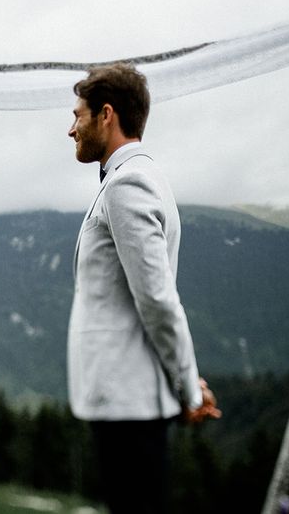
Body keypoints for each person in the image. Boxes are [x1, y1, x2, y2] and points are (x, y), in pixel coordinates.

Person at [67, 63, 220, 513]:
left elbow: (156, 300)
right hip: (128, 398)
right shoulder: (136, 177)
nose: (71, 128)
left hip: (127, 400)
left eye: (78, 115)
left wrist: (189, 388)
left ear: (106, 114)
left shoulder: (128, 183)